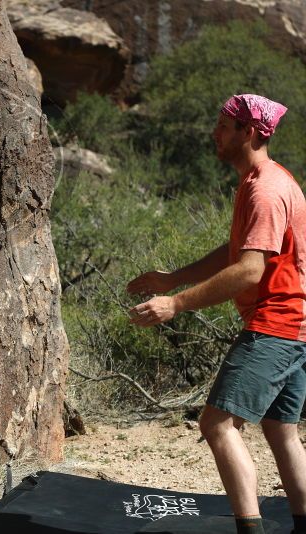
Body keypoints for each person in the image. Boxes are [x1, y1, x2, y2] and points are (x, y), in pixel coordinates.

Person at [126, 94, 306, 534]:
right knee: (281, 429)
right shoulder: (262, 181)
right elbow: (236, 253)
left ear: (249, 132)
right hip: (294, 326)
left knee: (216, 423)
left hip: (275, 326)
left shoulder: (265, 189)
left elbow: (248, 270)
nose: (215, 133)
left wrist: (176, 303)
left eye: (224, 126)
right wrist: (173, 279)